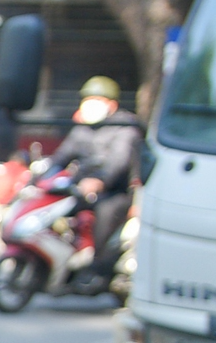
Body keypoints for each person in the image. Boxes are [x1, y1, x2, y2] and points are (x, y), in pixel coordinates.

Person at [42, 76, 144, 274]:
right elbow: (61, 157)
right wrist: (39, 177)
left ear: (112, 104)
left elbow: (119, 161)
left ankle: (98, 267)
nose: (90, 105)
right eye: (88, 100)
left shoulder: (125, 128)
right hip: (80, 189)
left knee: (105, 214)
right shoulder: (83, 129)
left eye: (97, 100)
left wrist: (100, 181)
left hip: (116, 192)